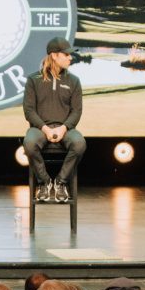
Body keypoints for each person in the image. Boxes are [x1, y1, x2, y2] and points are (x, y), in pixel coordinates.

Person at [22, 37, 85, 203]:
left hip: (66, 130)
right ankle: (44, 182)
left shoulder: (74, 81)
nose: (70, 58)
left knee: (79, 144)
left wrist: (63, 128)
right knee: (29, 143)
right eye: (66, 54)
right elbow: (29, 110)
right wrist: (46, 129)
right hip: (40, 129)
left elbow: (76, 111)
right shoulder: (33, 80)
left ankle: (60, 182)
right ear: (54, 56)